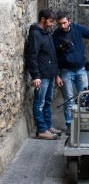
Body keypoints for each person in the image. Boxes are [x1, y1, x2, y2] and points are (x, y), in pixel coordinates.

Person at [53, 10, 89, 135]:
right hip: (65, 71)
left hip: (80, 69)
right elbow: (53, 56)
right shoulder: (56, 35)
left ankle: (84, 122)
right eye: (59, 24)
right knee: (68, 99)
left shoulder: (77, 29)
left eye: (64, 23)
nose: (62, 26)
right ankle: (70, 125)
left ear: (69, 21)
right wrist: (56, 75)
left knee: (85, 96)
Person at [26, 9, 61, 140]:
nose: (52, 24)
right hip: (42, 75)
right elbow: (32, 56)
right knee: (39, 103)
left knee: (47, 102)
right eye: (51, 21)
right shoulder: (35, 34)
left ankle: (47, 126)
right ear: (42, 19)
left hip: (50, 74)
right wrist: (35, 76)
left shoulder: (46, 33)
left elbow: (52, 55)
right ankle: (41, 130)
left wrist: (56, 74)